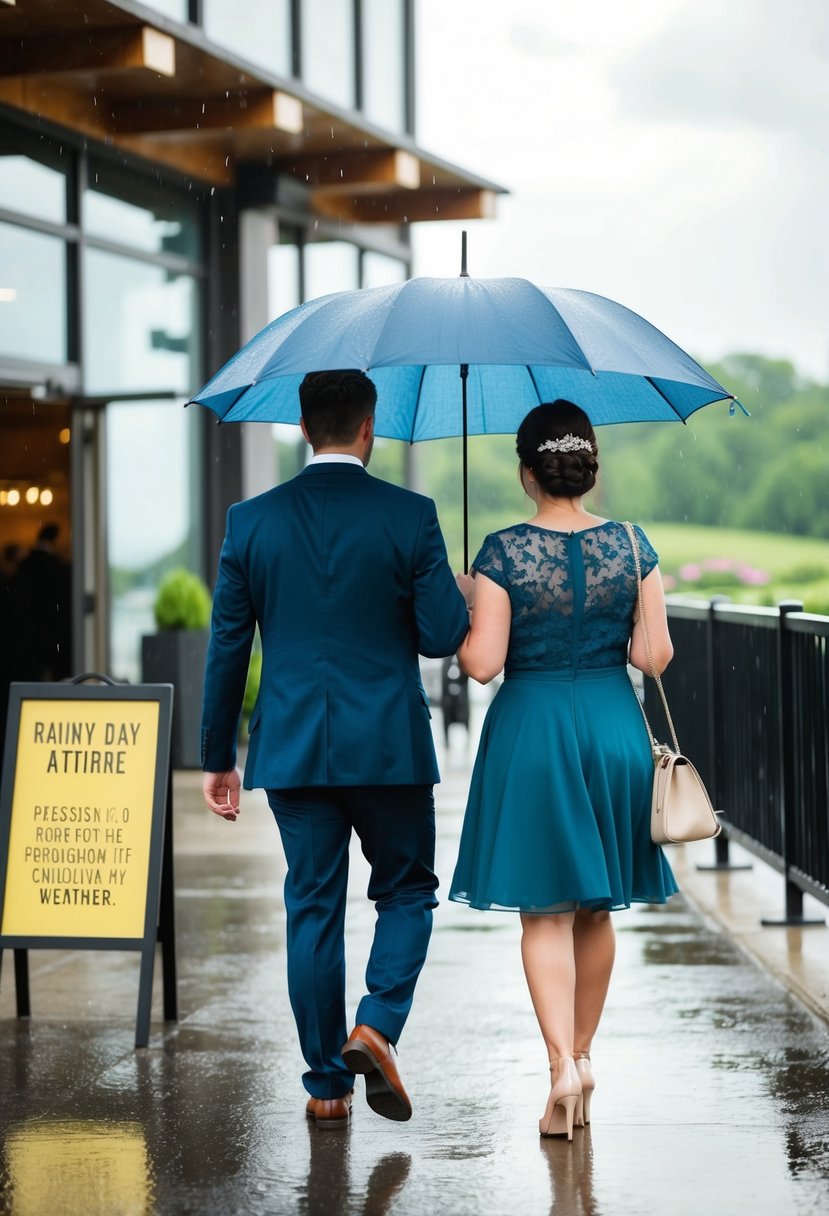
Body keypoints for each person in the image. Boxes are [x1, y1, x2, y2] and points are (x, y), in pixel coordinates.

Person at [200, 370, 469, 1130]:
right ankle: (376, 1026)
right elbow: (440, 636)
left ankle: (325, 1083)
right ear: (368, 427)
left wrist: (217, 755)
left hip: (291, 748)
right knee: (408, 891)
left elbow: (228, 647)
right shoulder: (409, 515)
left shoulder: (250, 522)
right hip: (386, 746)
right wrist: (460, 588)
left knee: (313, 907)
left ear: (302, 424)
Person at [451, 399, 678, 1141]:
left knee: (542, 910)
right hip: (614, 729)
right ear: (589, 468)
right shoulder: (633, 546)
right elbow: (652, 657)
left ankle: (559, 1068)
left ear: (526, 473)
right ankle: (583, 1053)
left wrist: (466, 606)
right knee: (593, 908)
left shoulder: (503, 552)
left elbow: (482, 665)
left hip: (536, 733)